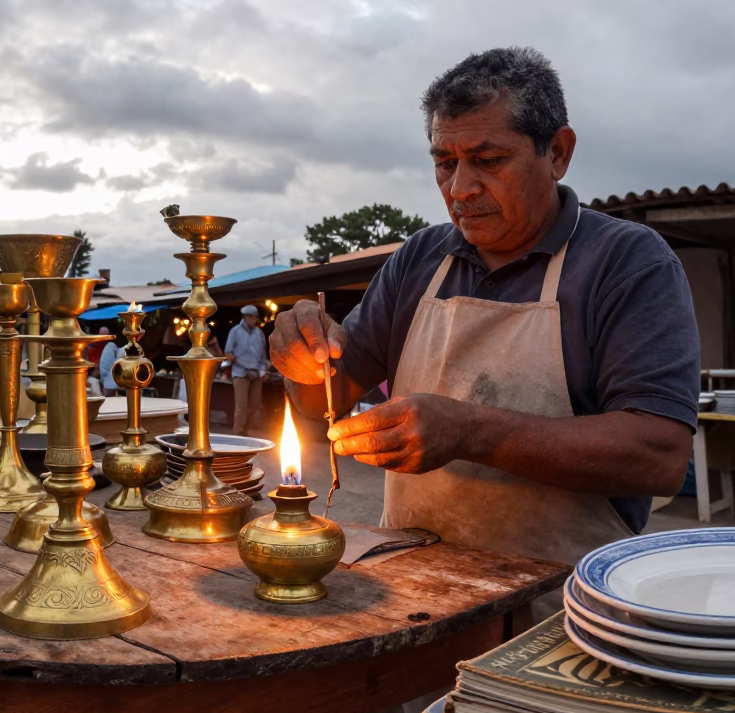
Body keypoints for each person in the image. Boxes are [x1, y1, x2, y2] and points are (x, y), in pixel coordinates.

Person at [270, 48, 698, 612]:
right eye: (445, 162)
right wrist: (302, 357)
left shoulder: (626, 262)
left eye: (488, 160)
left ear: (559, 152)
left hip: (564, 608)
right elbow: (326, 397)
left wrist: (473, 433)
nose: (460, 188)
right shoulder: (420, 258)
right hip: (408, 594)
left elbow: (658, 456)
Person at [225, 305, 269, 436]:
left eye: (255, 317)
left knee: (254, 405)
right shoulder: (235, 331)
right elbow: (228, 352)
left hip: (256, 372)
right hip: (240, 373)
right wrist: (235, 361)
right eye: (251, 317)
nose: (254, 319)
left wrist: (264, 370)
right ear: (244, 317)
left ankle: (247, 430)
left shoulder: (259, 333)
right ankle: (238, 432)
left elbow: (263, 356)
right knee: (241, 405)